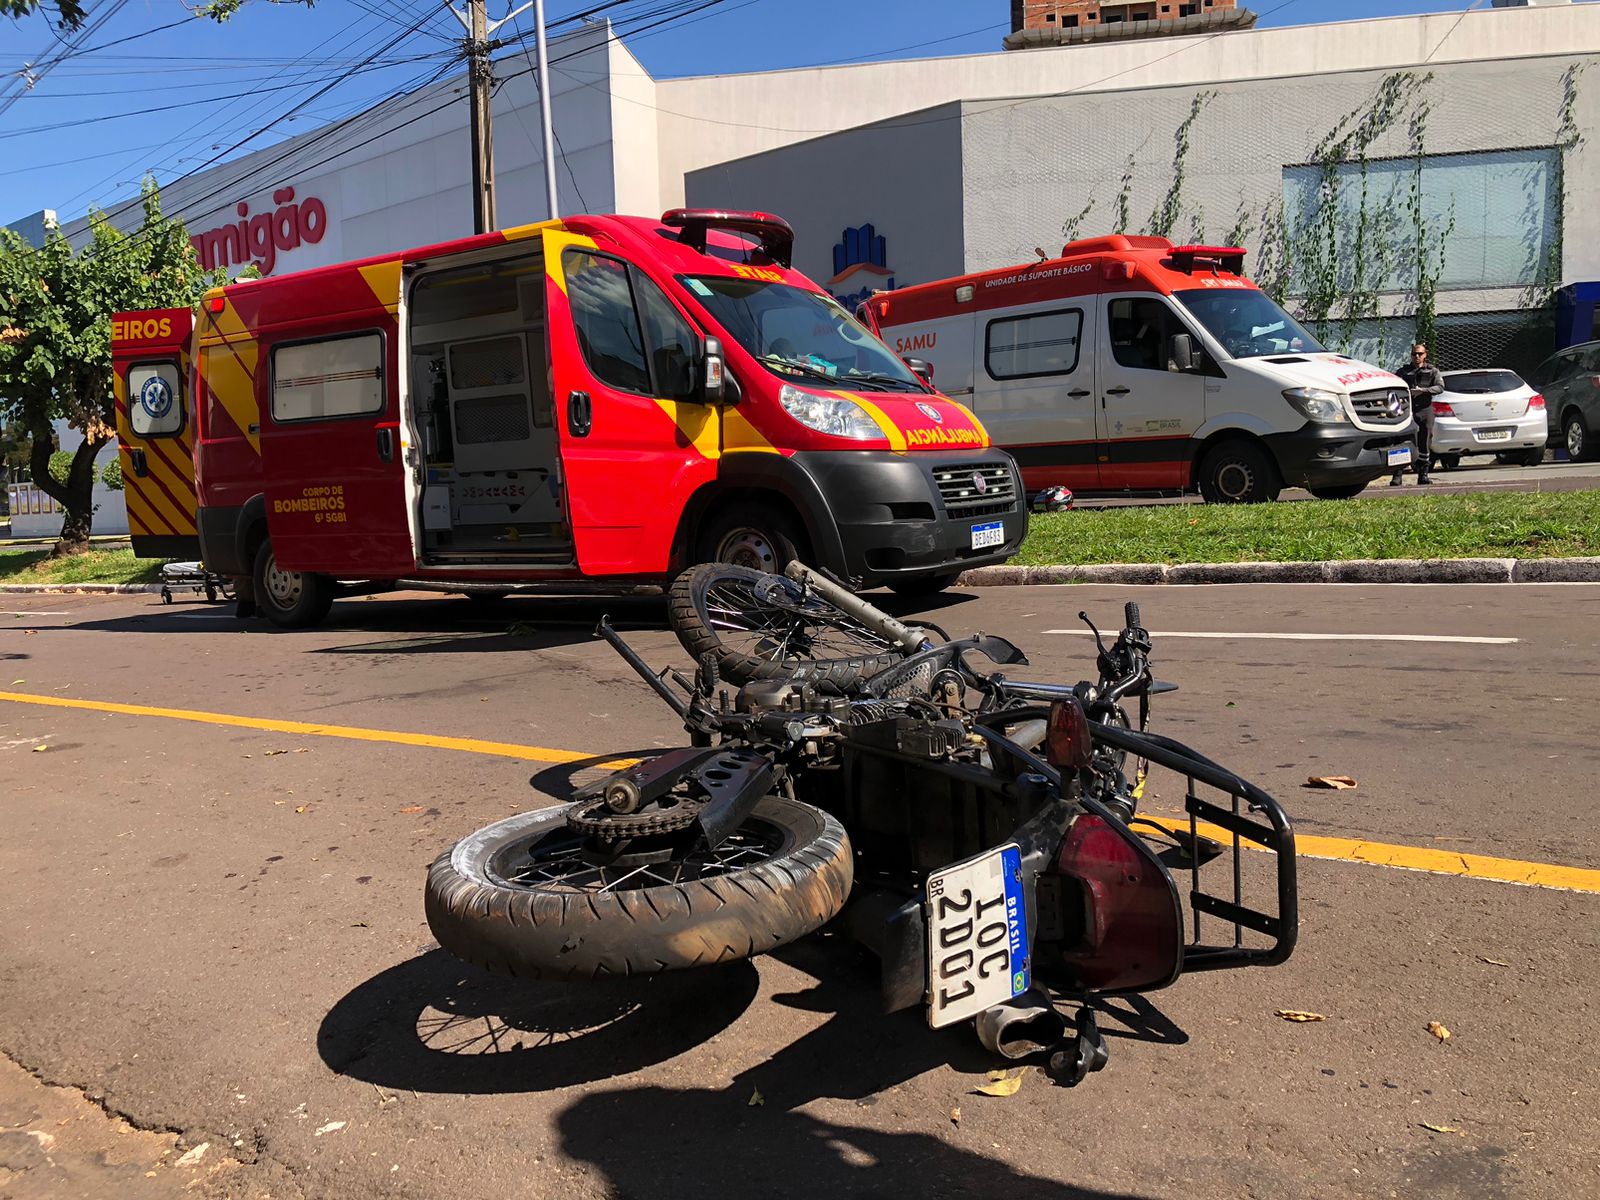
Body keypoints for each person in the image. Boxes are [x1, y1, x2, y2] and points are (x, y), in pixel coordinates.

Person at [1392, 342, 1445, 485]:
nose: (1417, 356)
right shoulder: (1403, 372)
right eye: (1414, 354)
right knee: (1402, 441)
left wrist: (1423, 391)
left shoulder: (1432, 371)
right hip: (1407, 410)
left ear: (1425, 355)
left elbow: (1440, 387)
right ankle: (1397, 476)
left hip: (1425, 409)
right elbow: (1394, 386)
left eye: (1420, 354)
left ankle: (1423, 475)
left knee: (1425, 442)